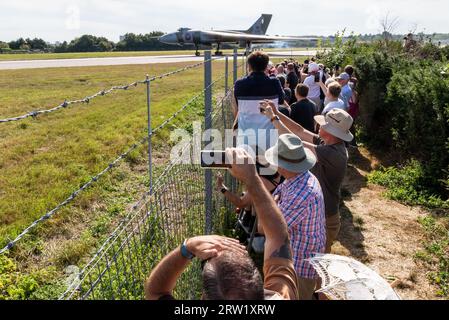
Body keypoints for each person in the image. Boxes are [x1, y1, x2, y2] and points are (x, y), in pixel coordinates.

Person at [145, 148, 299, 300]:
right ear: (259, 281)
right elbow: (279, 236)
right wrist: (252, 178)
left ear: (204, 296)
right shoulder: (281, 296)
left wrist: (187, 247)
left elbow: (155, 292)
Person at [261, 102, 354, 254]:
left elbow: (294, 145)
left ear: (330, 131)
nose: (319, 126)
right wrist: (277, 112)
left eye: (323, 125)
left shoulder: (333, 153)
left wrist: (273, 118)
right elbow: (299, 130)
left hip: (325, 218)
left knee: (316, 264)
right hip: (319, 213)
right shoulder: (328, 143)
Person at [261, 132, 326, 300]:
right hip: (303, 255)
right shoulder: (300, 178)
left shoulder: (300, 193)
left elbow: (266, 227)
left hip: (299, 265)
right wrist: (275, 203)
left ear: (282, 166)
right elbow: (278, 197)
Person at [232, 51, 286, 150]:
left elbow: (237, 107)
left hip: (246, 139)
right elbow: (282, 101)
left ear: (249, 66)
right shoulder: (274, 82)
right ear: (266, 67)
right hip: (269, 141)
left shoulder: (239, 84)